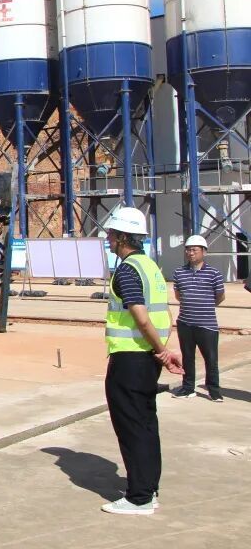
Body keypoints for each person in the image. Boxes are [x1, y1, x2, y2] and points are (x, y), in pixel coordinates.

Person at [100, 206, 182, 515]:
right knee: (145, 424)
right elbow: (165, 314)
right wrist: (164, 351)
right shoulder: (151, 267)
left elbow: (142, 317)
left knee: (132, 426)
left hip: (130, 359)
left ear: (123, 237)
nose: (108, 240)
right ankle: (148, 488)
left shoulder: (127, 270)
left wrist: (162, 350)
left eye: (111, 234)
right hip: (147, 359)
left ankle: (140, 498)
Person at [171, 234, 224, 401]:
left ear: (204, 252)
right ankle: (188, 388)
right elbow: (178, 295)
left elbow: (220, 297)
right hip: (185, 323)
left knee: (211, 359)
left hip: (207, 325)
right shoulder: (179, 273)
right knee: (187, 357)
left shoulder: (214, 274)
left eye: (194, 250)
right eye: (188, 250)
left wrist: (204, 306)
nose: (190, 253)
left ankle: (214, 391)